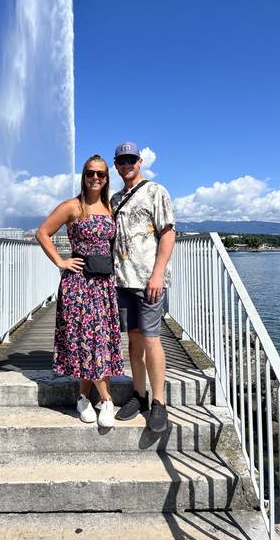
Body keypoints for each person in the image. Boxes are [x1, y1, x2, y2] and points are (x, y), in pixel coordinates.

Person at [36, 155, 124, 427]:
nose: (95, 178)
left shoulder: (111, 206)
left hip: (104, 283)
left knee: (101, 341)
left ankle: (83, 398)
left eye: (100, 174)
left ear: (107, 178)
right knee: (87, 339)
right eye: (90, 173)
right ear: (83, 176)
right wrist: (61, 261)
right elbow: (42, 233)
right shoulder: (73, 206)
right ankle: (107, 400)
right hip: (79, 284)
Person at [111, 141, 176, 433]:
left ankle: (159, 403)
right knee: (134, 340)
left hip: (149, 280)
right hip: (122, 280)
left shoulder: (155, 191)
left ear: (140, 162)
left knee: (152, 340)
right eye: (121, 161)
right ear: (116, 165)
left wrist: (158, 274)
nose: (127, 165)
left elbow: (168, 234)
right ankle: (140, 395)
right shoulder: (113, 200)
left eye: (131, 160)